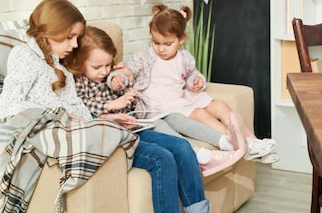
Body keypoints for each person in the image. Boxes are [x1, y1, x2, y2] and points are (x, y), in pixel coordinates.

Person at [0, 0, 211, 213]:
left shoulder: (59, 63)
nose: (75, 44)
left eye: (77, 38)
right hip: (78, 134)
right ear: (50, 31)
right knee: (161, 158)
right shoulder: (24, 56)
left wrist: (103, 119)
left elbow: (78, 107)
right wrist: (67, 117)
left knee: (181, 146)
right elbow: (8, 107)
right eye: (70, 37)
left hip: (97, 125)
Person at [67, 25, 246, 176]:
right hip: (128, 125)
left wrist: (127, 92)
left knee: (176, 118)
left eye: (108, 65)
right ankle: (199, 155)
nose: (104, 71)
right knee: (161, 127)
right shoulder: (79, 81)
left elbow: (124, 86)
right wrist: (110, 105)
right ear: (79, 62)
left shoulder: (109, 76)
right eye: (97, 67)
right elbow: (82, 105)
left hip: (139, 115)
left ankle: (224, 142)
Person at [112, 3, 279, 163]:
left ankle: (254, 141)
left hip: (181, 98)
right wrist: (119, 77)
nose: (161, 49)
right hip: (160, 104)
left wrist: (196, 81)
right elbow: (129, 70)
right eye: (156, 43)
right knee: (200, 114)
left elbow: (192, 74)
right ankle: (243, 145)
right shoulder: (146, 56)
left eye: (167, 44)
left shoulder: (184, 58)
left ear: (181, 39)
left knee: (219, 106)